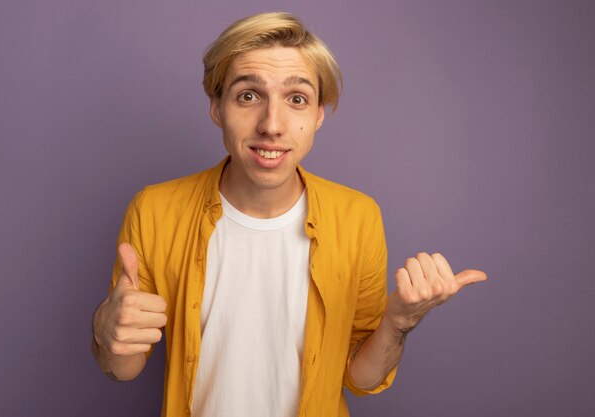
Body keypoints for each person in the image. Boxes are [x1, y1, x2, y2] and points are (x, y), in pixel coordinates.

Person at [91, 11, 487, 417]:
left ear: (318, 114)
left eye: (296, 99)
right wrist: (107, 334)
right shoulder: (155, 210)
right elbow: (122, 369)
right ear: (216, 106)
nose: (272, 125)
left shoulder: (358, 217)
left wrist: (399, 323)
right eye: (248, 95)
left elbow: (361, 378)